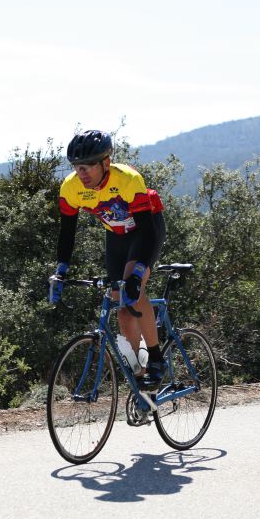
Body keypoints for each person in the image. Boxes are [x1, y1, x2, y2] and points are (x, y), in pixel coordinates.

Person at [48, 129, 166, 389]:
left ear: (106, 163)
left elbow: (146, 231)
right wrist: (61, 271)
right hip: (116, 235)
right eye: (78, 167)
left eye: (89, 166)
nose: (83, 173)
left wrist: (137, 274)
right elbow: (67, 233)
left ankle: (157, 359)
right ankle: (139, 379)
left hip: (145, 230)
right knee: (122, 313)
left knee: (133, 295)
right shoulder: (71, 188)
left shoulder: (128, 179)